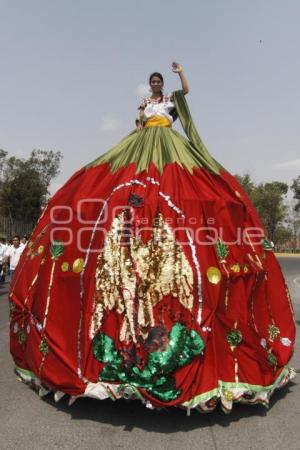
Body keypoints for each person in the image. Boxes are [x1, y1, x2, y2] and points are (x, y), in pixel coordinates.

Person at [9, 62, 295, 414]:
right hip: (138, 148)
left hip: (170, 150)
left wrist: (180, 73)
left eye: (159, 81)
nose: (157, 85)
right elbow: (137, 124)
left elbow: (186, 93)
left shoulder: (171, 100)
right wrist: (142, 119)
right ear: (149, 86)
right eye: (155, 81)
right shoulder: (144, 106)